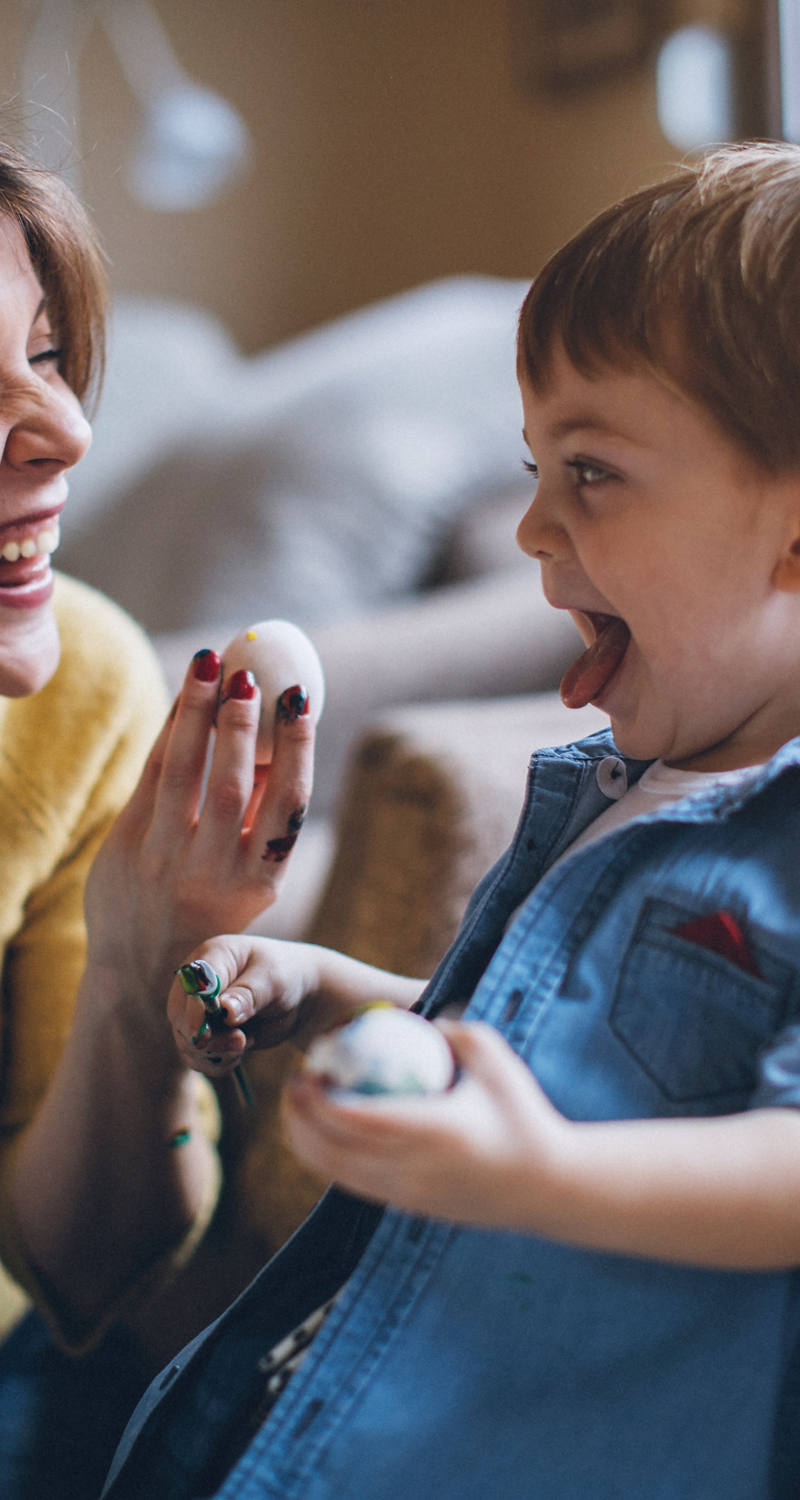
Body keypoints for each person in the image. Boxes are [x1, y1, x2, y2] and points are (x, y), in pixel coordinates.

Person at [102, 139, 800, 1500]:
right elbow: (573, 1049)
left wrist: (540, 1180)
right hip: (305, 1427)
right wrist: (341, 992)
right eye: (536, 468)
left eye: (590, 471)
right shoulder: (614, 786)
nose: (534, 530)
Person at [0, 140, 315, 1497]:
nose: (65, 431)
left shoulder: (88, 690)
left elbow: (81, 1269)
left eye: (50, 355)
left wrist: (136, 973)